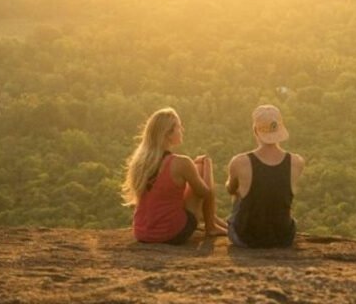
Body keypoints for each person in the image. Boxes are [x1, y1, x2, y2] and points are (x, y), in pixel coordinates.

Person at [122, 107, 227, 244]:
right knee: (201, 166)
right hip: (171, 233)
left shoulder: (140, 162)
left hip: (142, 232)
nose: (182, 130)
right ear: (168, 134)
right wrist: (207, 166)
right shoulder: (181, 162)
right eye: (179, 127)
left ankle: (213, 220)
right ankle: (211, 226)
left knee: (191, 174)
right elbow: (204, 192)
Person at [225, 105, 305, 248]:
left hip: (246, 239)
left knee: (239, 194)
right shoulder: (297, 162)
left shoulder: (239, 162)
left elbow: (231, 189)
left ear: (255, 130)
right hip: (283, 238)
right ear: (280, 128)